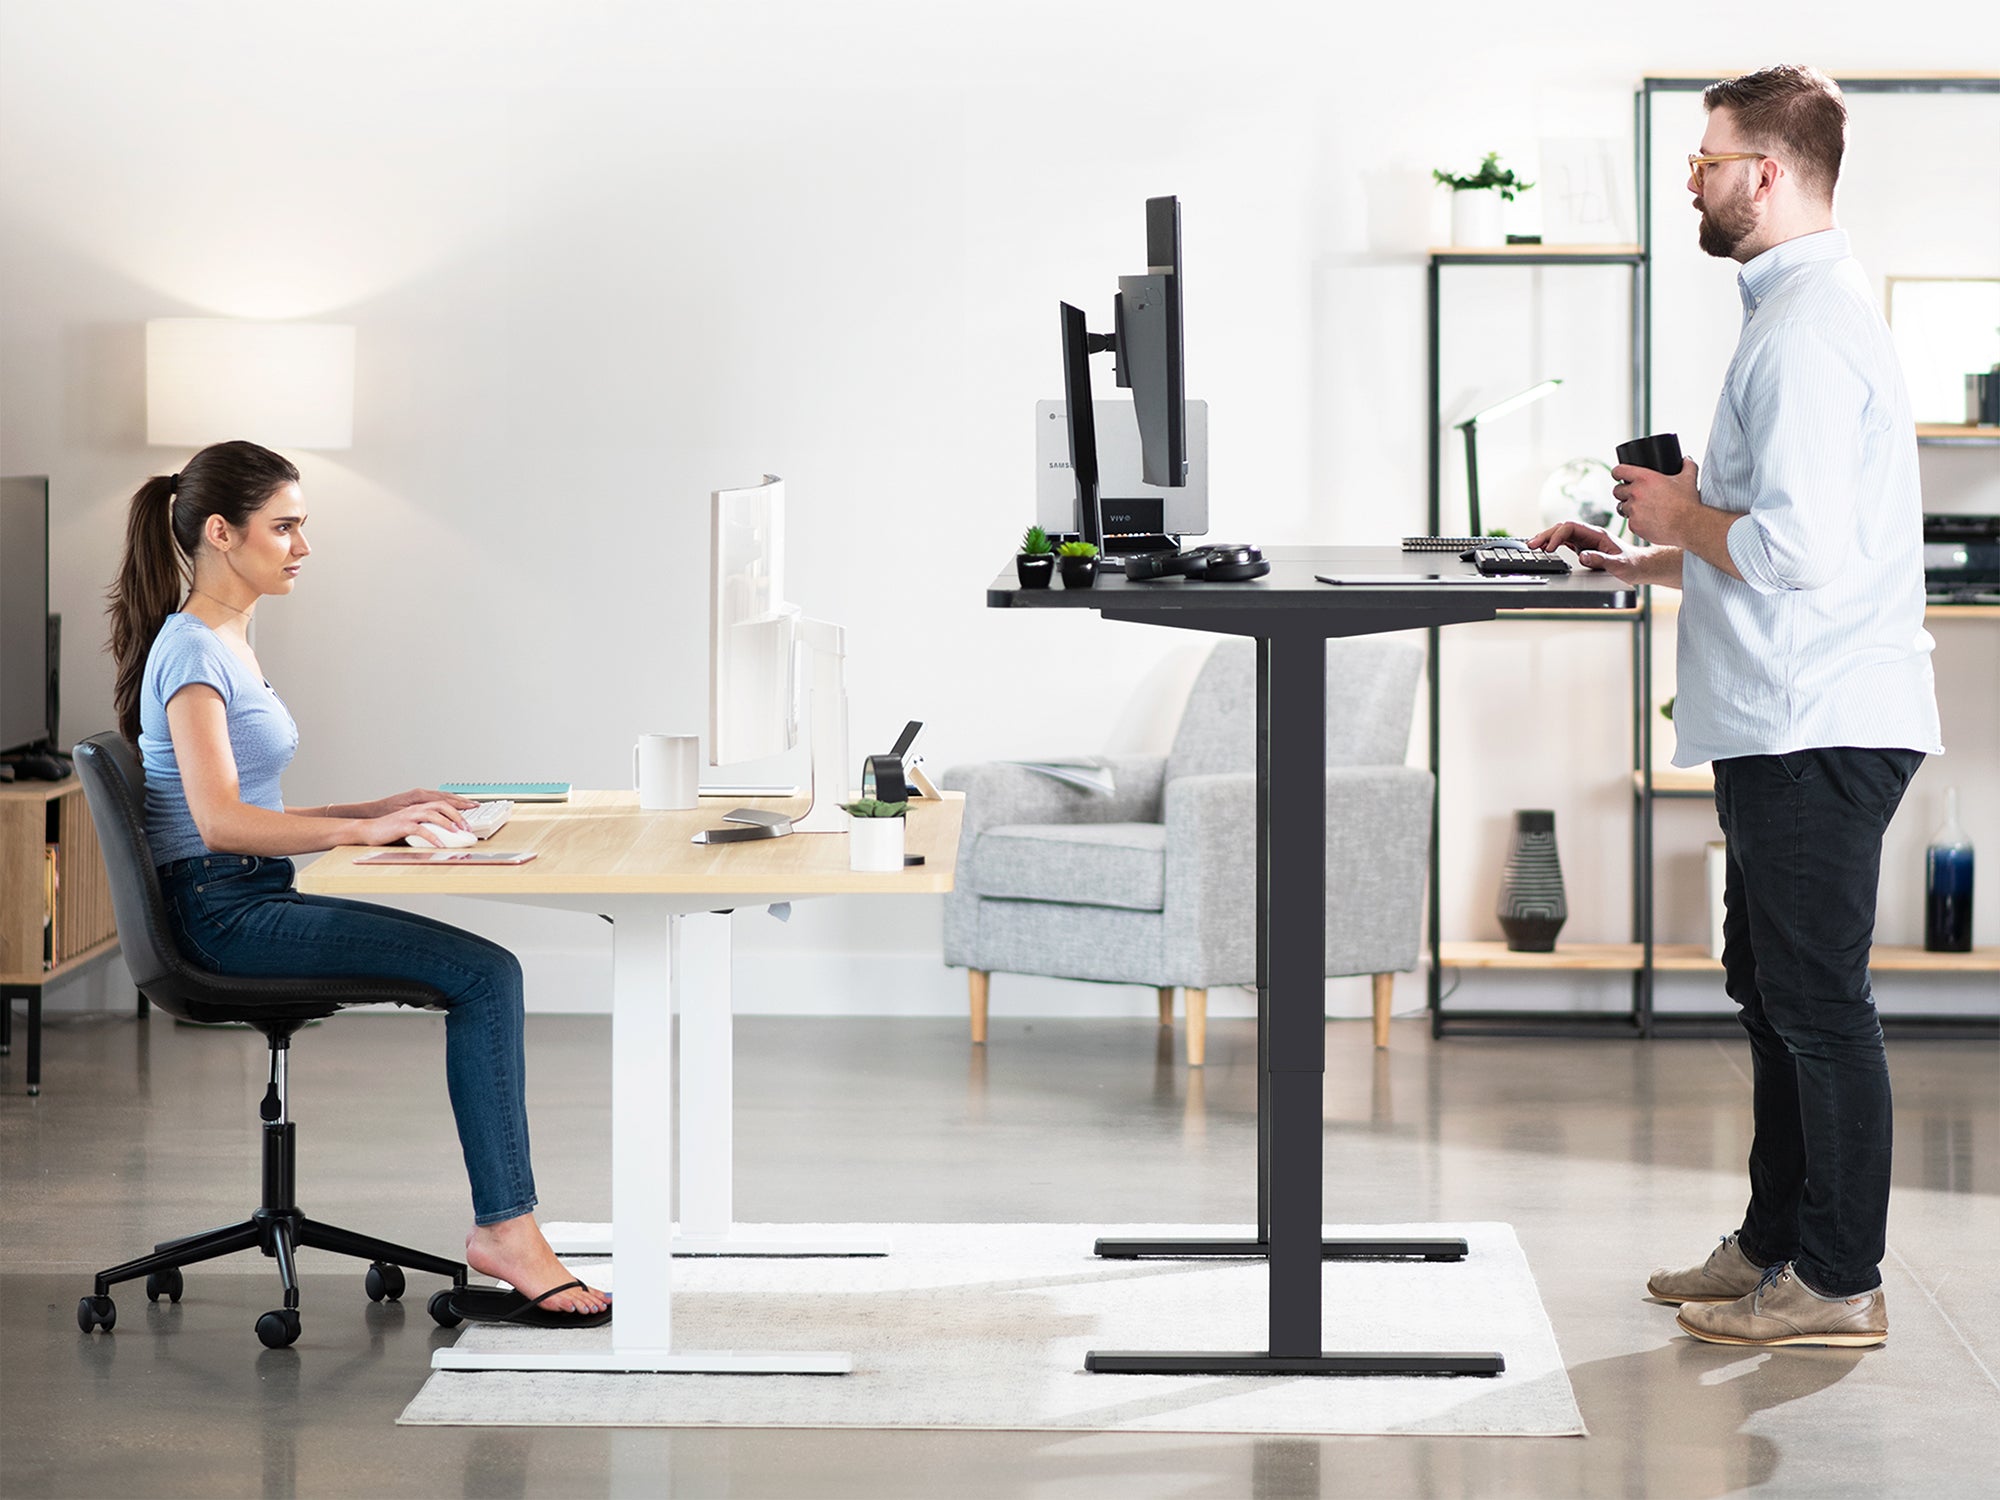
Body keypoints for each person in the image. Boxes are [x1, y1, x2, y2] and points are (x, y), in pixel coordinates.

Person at [1531, 65, 1940, 1349]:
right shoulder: (1784, 315)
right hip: (1778, 713)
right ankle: (1774, 1244)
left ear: (1765, 173)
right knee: (1768, 991)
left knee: (1817, 1004)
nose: (1691, 184)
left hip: (1814, 719)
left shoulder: (1811, 327)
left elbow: (1795, 550)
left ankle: (1837, 1283)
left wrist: (1677, 515)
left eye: (1704, 162)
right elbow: (1754, 528)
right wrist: (1641, 553)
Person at [106, 439, 610, 1329]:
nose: (303, 546)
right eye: (286, 527)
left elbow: (246, 805)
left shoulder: (224, 639)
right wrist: (366, 831)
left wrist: (387, 803)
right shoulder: (190, 652)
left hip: (245, 894)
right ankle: (507, 1233)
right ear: (222, 533)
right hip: (221, 914)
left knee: (485, 971)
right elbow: (219, 824)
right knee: (487, 975)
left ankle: (509, 1226)